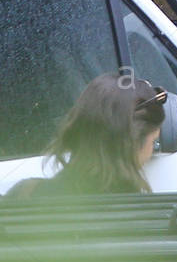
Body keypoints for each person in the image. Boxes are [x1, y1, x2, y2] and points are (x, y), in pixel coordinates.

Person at [11, 73, 166, 197]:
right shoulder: (143, 215)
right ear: (131, 144)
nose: (151, 152)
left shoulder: (23, 194)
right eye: (154, 142)